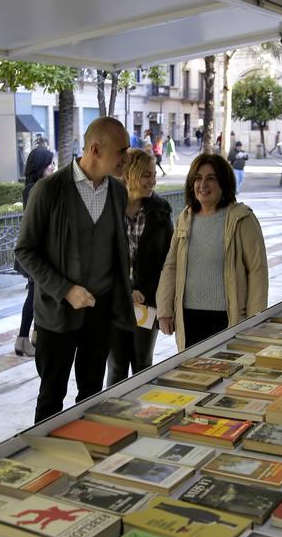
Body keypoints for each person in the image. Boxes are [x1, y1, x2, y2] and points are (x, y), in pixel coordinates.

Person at [14, 117, 135, 423]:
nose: (126, 158)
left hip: (101, 312)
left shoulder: (119, 193)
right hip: (56, 314)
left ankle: (89, 455)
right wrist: (65, 289)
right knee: (51, 396)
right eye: (121, 151)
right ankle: (46, 463)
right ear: (95, 149)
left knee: (92, 395)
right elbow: (24, 252)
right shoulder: (49, 190)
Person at [156, 152, 268, 350]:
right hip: (189, 317)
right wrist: (164, 309)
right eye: (197, 178)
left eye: (211, 178)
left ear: (223, 183)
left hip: (227, 317)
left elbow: (257, 271)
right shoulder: (185, 218)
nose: (203, 185)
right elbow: (171, 266)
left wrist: (254, 321)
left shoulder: (241, 219)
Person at [106, 148, 173, 386]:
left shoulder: (160, 212)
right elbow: (102, 259)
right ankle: (113, 420)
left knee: (143, 365)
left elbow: (168, 261)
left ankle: (141, 418)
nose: (152, 180)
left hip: (147, 303)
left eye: (154, 174)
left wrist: (146, 291)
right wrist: (124, 290)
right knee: (116, 369)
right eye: (146, 175)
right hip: (114, 302)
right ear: (129, 174)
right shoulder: (108, 209)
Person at [13, 146, 54, 357]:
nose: (53, 168)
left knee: (36, 294)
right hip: (35, 253)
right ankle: (25, 338)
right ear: (40, 168)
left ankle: (30, 338)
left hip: (35, 251)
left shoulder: (32, 187)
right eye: (49, 165)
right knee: (34, 296)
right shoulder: (34, 189)